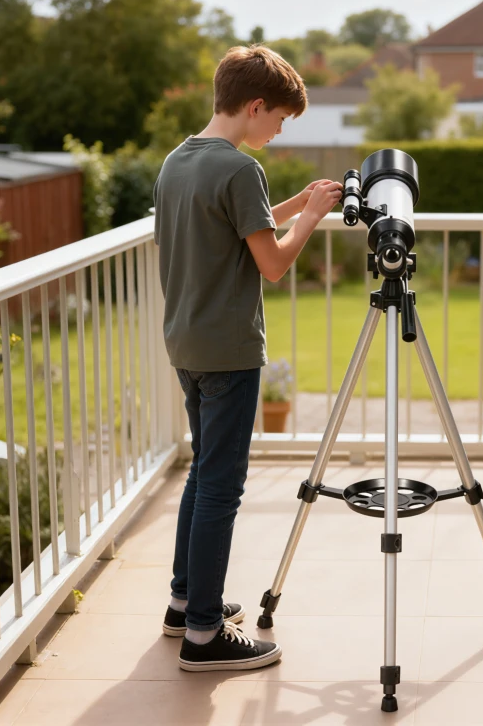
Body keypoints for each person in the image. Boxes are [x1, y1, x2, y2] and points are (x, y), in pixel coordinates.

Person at [153, 45, 342, 672]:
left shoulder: (180, 161)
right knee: (221, 489)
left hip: (186, 343)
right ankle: (205, 635)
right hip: (230, 351)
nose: (279, 132)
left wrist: (290, 203)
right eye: (281, 120)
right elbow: (275, 264)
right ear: (256, 105)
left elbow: (233, 224)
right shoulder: (239, 169)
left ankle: (185, 603)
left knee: (202, 476)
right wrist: (313, 215)